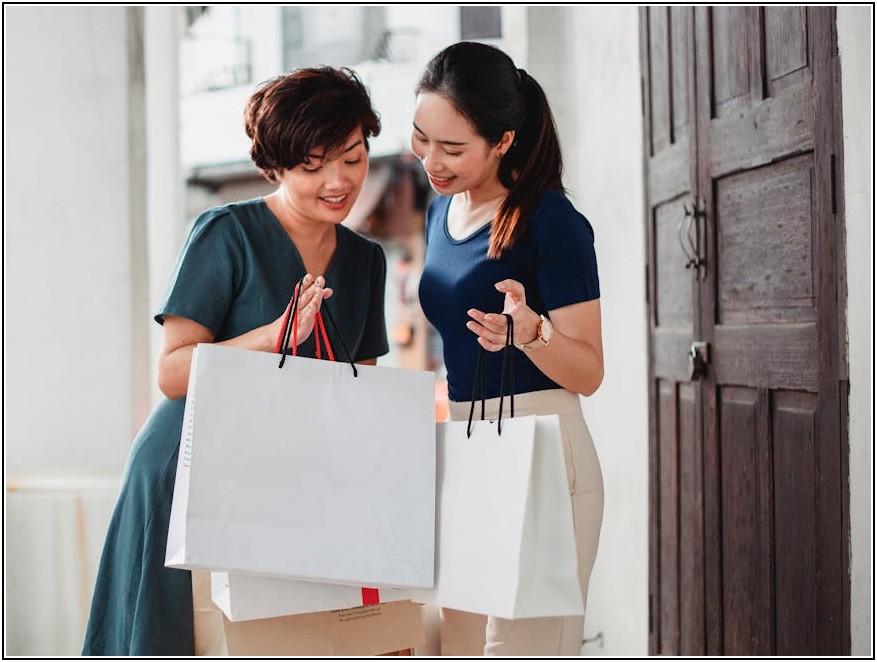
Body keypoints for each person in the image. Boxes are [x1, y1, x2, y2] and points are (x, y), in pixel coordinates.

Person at [82, 66, 389, 656]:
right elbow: (172, 374)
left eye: (352, 158)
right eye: (313, 165)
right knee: (178, 636)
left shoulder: (365, 261)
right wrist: (273, 336)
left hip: (285, 481)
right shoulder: (226, 232)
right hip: (189, 473)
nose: (338, 181)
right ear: (275, 166)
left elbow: (359, 394)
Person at [411, 41, 605, 656]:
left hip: (542, 449)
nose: (431, 162)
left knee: (523, 650)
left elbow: (591, 370)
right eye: (422, 139)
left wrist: (533, 332)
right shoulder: (439, 213)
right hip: (468, 447)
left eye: (453, 148)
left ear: (503, 141)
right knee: (461, 647)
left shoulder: (553, 221)